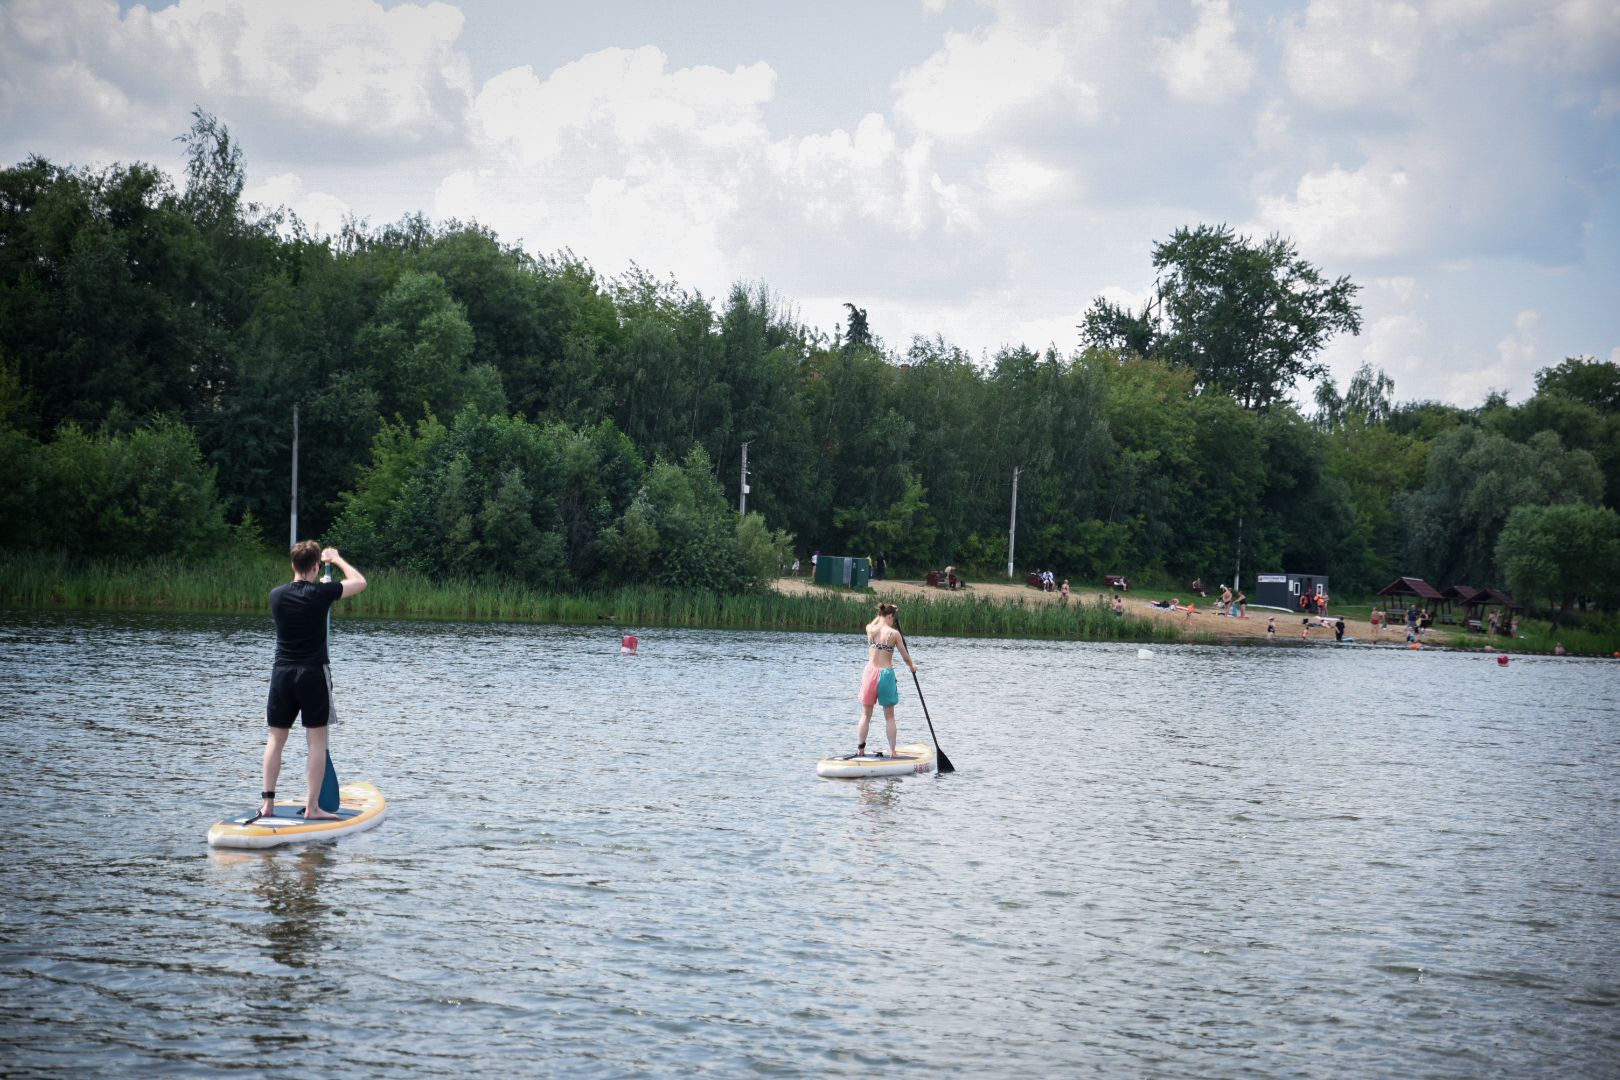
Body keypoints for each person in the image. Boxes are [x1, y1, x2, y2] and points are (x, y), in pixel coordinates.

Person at [261, 542, 367, 821]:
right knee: (316, 743)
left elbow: (301, 596)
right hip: (312, 674)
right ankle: (312, 807)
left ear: (293, 565)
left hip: (282, 674)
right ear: (316, 567)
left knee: (275, 739)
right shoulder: (322, 593)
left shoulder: (276, 595)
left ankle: (267, 804)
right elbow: (360, 582)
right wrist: (337, 558)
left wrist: (320, 583)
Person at [856, 602, 916, 757]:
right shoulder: (894, 634)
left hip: (870, 673)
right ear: (890, 617)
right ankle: (893, 752)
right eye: (893, 619)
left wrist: (884, 612)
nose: (893, 622)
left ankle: (860, 749)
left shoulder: (870, 629)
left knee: (865, 715)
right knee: (889, 716)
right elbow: (904, 656)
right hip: (886, 675)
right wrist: (912, 667)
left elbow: (877, 620)